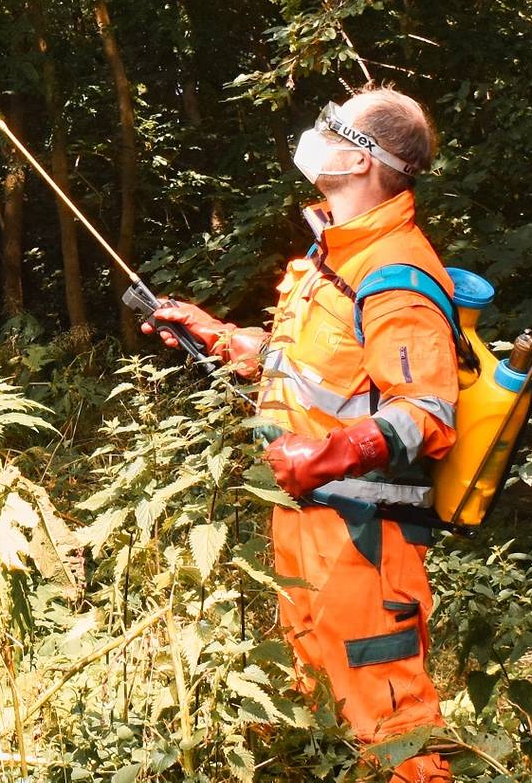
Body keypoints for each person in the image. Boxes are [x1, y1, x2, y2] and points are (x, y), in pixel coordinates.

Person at [142, 88, 458, 781]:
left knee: (390, 722)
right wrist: (220, 338)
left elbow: (428, 409)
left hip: (366, 534)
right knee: (314, 704)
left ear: (363, 159)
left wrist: (330, 454)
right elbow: (318, 370)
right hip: (305, 525)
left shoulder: (395, 272)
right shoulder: (334, 258)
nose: (317, 138)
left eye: (333, 129)